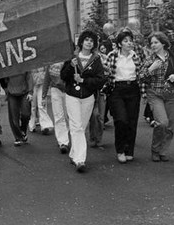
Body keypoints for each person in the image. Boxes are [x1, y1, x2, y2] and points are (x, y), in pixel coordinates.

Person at [60, 30, 106, 172]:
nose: (88, 42)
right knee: (77, 126)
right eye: (86, 40)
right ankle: (80, 160)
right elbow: (64, 76)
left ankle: (74, 153)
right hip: (72, 95)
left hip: (88, 97)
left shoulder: (96, 60)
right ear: (81, 42)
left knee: (81, 126)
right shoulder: (72, 57)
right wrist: (69, 66)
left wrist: (84, 80)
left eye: (91, 41)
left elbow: (100, 80)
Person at [104, 28, 143, 163]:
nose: (129, 43)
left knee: (132, 122)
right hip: (117, 90)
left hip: (133, 89)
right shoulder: (112, 55)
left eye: (131, 41)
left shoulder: (137, 55)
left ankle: (129, 150)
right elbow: (106, 72)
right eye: (126, 41)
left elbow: (142, 73)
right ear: (120, 43)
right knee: (121, 120)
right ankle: (120, 150)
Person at [139, 31, 174, 162]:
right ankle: (155, 149)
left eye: (155, 42)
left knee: (171, 125)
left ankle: (163, 151)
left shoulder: (172, 57)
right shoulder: (150, 59)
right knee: (162, 123)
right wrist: (150, 69)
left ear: (163, 43)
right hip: (155, 94)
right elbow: (140, 77)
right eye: (151, 43)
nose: (152, 45)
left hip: (171, 94)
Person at [42, 61, 70, 153]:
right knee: (58, 116)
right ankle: (63, 142)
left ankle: (72, 137)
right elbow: (47, 78)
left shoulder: (69, 57)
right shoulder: (51, 60)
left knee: (69, 116)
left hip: (69, 90)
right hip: (55, 89)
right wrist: (44, 96)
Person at [0, 72, 33, 146]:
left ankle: (23, 130)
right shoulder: (7, 65)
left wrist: (30, 92)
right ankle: (18, 137)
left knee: (26, 114)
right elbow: (1, 75)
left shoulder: (24, 64)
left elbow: (29, 77)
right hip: (12, 93)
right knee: (14, 117)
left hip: (24, 92)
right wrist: (5, 88)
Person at [29, 66, 53, 134]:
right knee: (32, 106)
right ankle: (31, 124)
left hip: (42, 82)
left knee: (41, 104)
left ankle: (45, 126)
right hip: (32, 83)